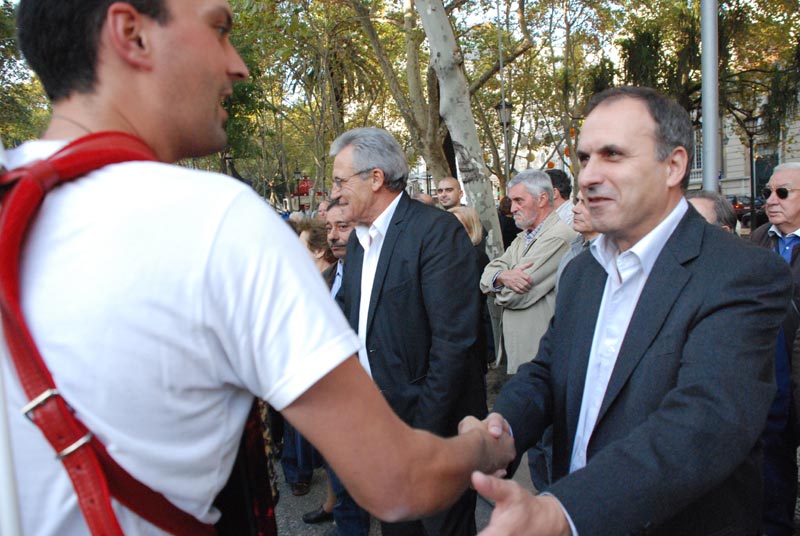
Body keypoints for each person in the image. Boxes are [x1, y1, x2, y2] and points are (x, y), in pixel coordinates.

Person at [2, 2, 515, 535]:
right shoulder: (219, 221)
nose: (238, 64)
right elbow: (397, 479)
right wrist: (485, 443)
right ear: (132, 34)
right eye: (219, 30)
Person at [473, 86, 792, 536]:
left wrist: (562, 512)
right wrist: (501, 430)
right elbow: (547, 372)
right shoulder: (585, 271)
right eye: (584, 158)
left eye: (613, 155)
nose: (587, 176)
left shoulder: (741, 273)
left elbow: (702, 426)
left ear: (674, 166)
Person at [330, 127, 488, 536]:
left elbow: (454, 345)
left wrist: (420, 435)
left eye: (340, 181)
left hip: (431, 434)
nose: (334, 192)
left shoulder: (436, 233)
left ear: (376, 178)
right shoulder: (360, 244)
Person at [303, 199, 372, 536]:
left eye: (342, 227)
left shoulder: (370, 276)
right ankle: (346, 523)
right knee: (338, 467)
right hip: (331, 393)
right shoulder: (328, 276)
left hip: (366, 391)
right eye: (328, 228)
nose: (333, 236)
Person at [479, 170, 575, 374]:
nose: (512, 208)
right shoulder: (524, 237)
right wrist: (502, 276)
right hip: (522, 354)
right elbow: (488, 273)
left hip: (538, 358)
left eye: (519, 200)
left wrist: (496, 286)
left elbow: (513, 296)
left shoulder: (558, 237)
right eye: (512, 201)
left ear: (542, 199)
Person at [750, 162, 800, 535]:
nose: (771, 200)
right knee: (774, 467)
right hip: (769, 381)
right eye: (768, 192)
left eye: (782, 193)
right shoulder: (757, 240)